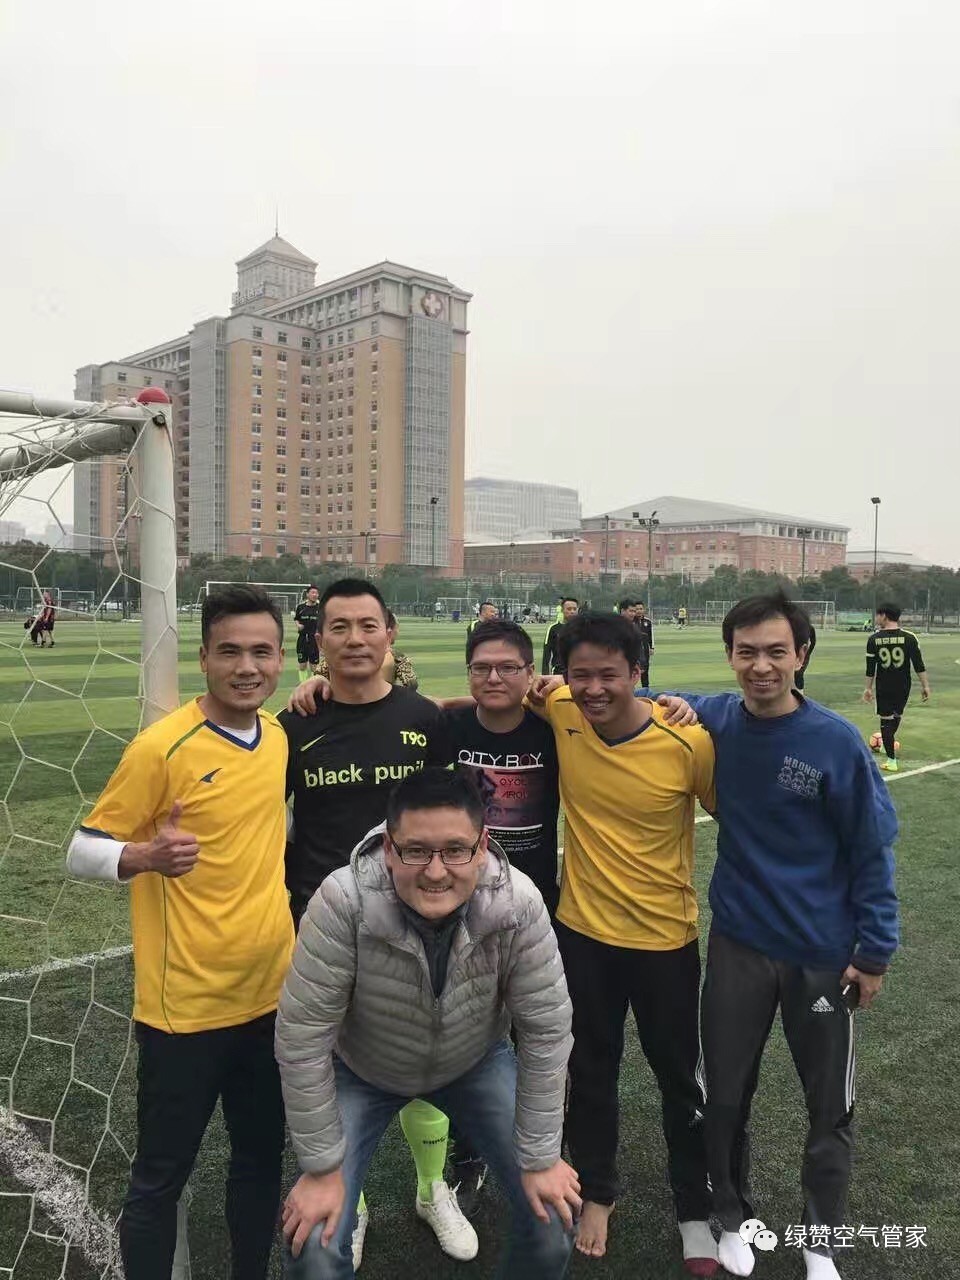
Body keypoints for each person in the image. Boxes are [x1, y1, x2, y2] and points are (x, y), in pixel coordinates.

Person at [64, 584, 293, 1280]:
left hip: (272, 1001)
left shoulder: (278, 736)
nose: (246, 667)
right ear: (204, 658)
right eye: (230, 652)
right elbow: (80, 849)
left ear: (282, 657)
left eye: (261, 652)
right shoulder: (162, 748)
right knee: (160, 1179)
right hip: (183, 1013)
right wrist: (143, 857)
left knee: (260, 1162)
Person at [276, 768, 580, 1280]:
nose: (436, 872)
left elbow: (547, 1028)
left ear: (482, 846)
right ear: (388, 849)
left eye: (455, 850)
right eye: (415, 851)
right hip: (364, 1068)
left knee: (554, 1220)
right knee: (314, 1244)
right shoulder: (342, 901)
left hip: (473, 1061)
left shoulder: (518, 902)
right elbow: (302, 1036)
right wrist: (322, 1169)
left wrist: (542, 1156)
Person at [673, 593, 899, 1280]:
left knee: (829, 1108)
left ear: (801, 654)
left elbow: (872, 851)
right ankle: (731, 1217)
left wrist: (873, 952)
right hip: (739, 946)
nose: (761, 666)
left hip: (823, 956)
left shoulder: (835, 741)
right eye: (747, 652)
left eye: (776, 651)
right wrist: (556, 686)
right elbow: (631, 693)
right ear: (730, 656)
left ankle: (819, 1240)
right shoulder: (716, 718)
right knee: (724, 1096)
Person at [279, 578, 477, 1266]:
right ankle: (353, 1200)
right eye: (340, 627)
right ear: (320, 640)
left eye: (368, 626)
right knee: (336, 1067)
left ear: (390, 633)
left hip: (420, 921)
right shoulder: (294, 725)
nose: (355, 639)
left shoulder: (426, 719)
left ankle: (431, 1189)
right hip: (323, 924)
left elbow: (450, 818)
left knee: (427, 1056)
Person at [534, 612, 718, 1273]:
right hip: (582, 934)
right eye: (579, 674)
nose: (593, 688)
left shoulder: (686, 740)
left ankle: (695, 1207)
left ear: (637, 673)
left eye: (608, 674)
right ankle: (598, 1194)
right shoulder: (560, 707)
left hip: (665, 939)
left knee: (681, 1079)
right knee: (589, 1073)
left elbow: (739, 813)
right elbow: (491, 692)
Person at [863, 602, 931, 772]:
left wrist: (868, 688)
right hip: (903, 685)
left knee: (886, 721)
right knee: (896, 716)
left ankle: (891, 760)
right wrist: (925, 686)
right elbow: (919, 665)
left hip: (884, 686)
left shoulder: (874, 639)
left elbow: (870, 668)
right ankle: (887, 745)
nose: (876, 618)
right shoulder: (910, 637)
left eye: (878, 615)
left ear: (884, 616)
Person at [315, 610, 418, 689]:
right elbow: (411, 684)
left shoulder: (340, 656)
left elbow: (318, 678)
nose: (398, 632)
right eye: (397, 628)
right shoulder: (398, 657)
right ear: (389, 631)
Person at [541, 597, 579, 675]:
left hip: (577, 673)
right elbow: (546, 655)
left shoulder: (582, 628)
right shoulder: (553, 629)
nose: (572, 611)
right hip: (558, 673)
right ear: (562, 610)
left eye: (574, 609)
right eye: (569, 609)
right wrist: (545, 676)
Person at [294, 586, 321, 683]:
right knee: (302, 665)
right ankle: (303, 684)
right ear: (307, 594)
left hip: (314, 640)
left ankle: (314, 686)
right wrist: (298, 625)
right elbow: (296, 619)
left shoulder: (320, 608)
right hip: (302, 639)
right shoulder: (300, 607)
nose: (315, 595)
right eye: (313, 592)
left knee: (314, 666)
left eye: (316, 593)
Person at [633, 601, 654, 687]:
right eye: (637, 609)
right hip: (634, 650)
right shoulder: (631, 621)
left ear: (643, 610)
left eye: (641, 609)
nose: (639, 611)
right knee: (633, 671)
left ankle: (646, 689)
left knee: (645, 671)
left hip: (645, 649)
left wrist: (651, 647)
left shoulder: (647, 622)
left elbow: (650, 635)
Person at [794, 621, 816, 691]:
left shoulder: (810, 628)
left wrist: (808, 653)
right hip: (793, 653)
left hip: (803, 655)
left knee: (799, 673)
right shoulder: (794, 626)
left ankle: (800, 692)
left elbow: (813, 642)